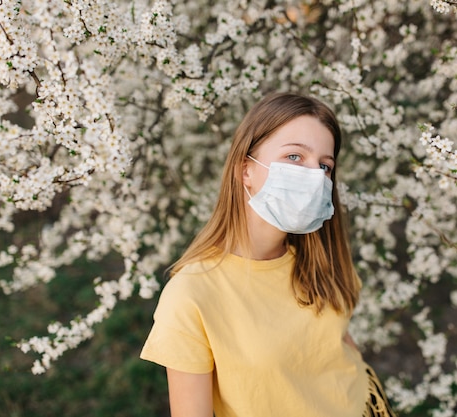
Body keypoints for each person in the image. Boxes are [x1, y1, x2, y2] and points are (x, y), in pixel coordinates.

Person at [140, 92, 396, 417]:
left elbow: (336, 345)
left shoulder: (319, 258)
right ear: (246, 169)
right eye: (294, 157)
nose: (314, 176)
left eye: (325, 166)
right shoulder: (191, 296)